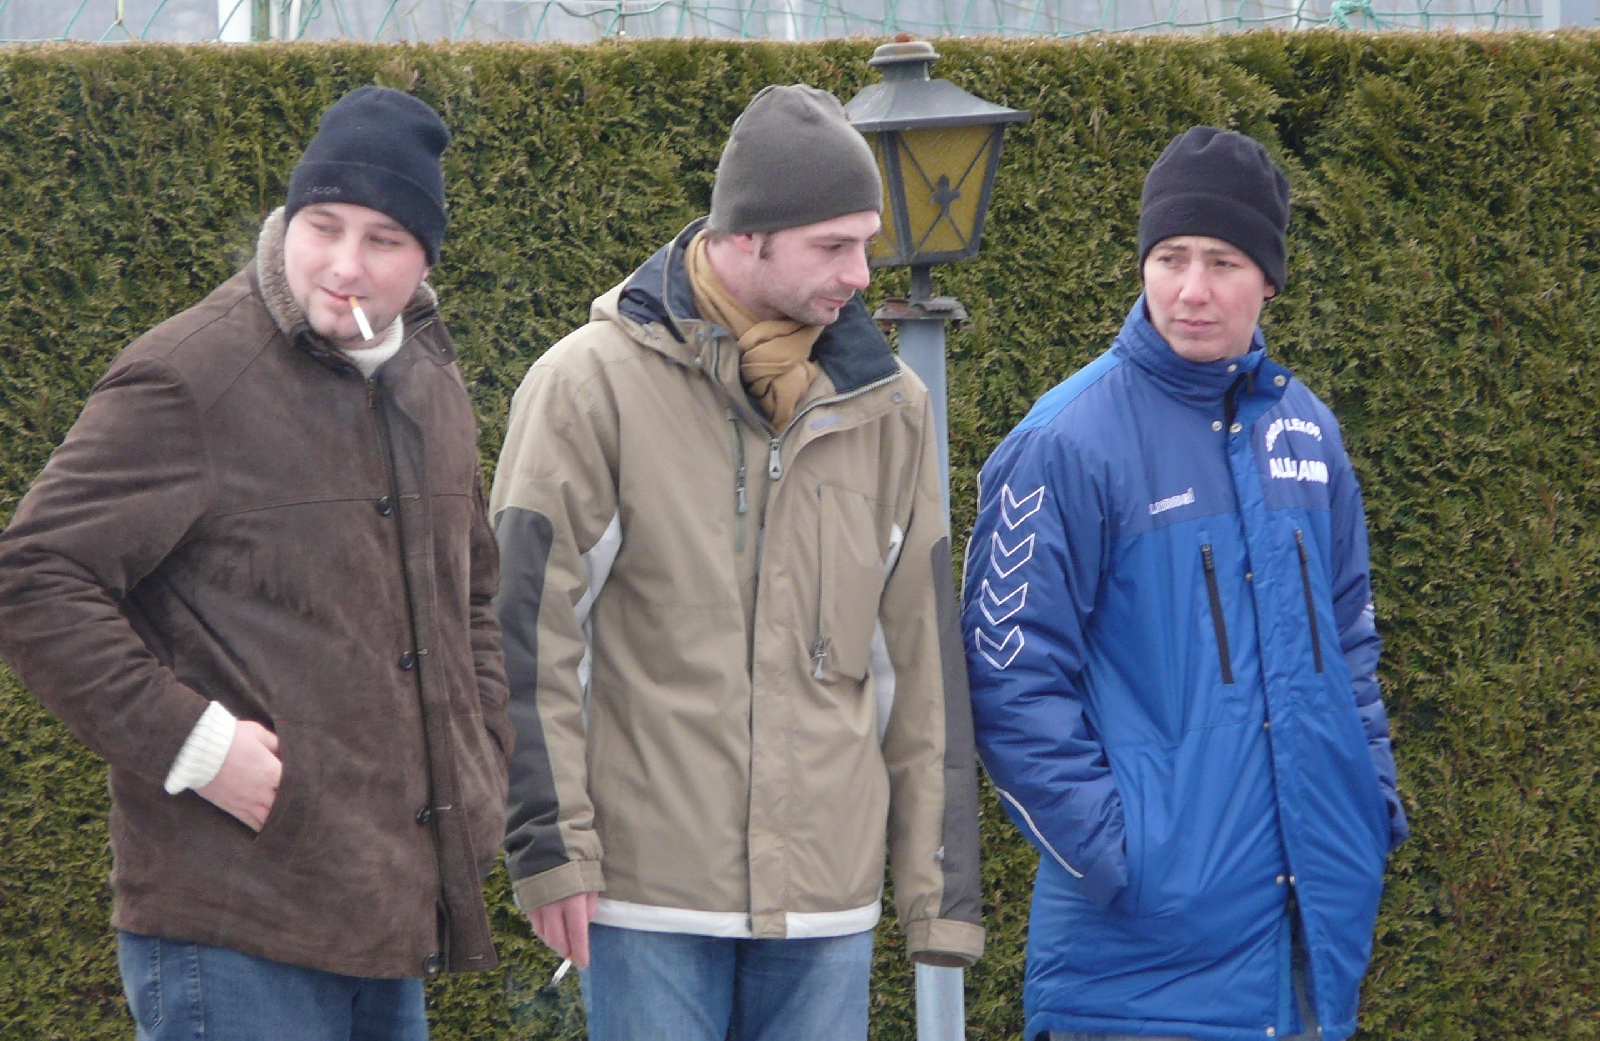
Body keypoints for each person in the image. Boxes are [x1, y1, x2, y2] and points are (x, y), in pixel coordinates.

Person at [0, 86, 511, 1041]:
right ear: (288, 220)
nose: (346, 265)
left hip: (390, 921)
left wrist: (480, 756)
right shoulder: (192, 375)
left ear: (425, 259)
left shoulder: (432, 383)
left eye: (383, 240)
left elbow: (472, 595)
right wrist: (194, 746)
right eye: (324, 227)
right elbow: (31, 579)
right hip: (232, 927)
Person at [490, 84, 984, 1040]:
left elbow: (920, 662)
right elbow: (526, 633)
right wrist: (552, 852)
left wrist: (940, 893)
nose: (860, 272)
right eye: (833, 246)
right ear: (747, 236)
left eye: (867, 243)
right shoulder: (586, 387)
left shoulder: (892, 409)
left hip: (827, 909)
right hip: (647, 901)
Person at [962, 126, 1407, 1041]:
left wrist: (1367, 803)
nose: (1191, 289)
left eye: (1223, 261)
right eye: (1170, 258)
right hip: (1132, 969)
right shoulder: (1064, 442)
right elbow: (1008, 676)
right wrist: (1124, 857)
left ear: (1269, 279)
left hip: (1305, 946)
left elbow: (1350, 642)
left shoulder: (1308, 434)